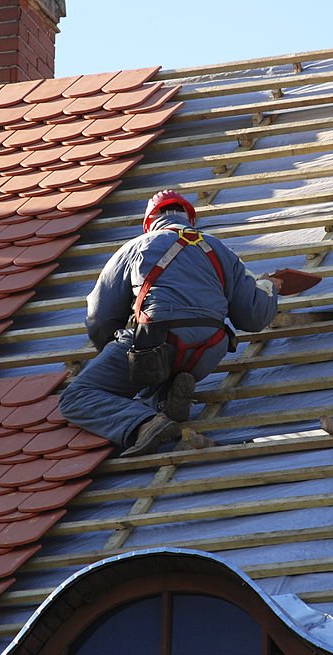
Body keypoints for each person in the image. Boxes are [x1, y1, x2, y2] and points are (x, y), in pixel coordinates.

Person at [59, 190, 282, 457]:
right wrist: (269, 286)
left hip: (156, 343)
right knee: (156, 372)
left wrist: (115, 356)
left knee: (77, 396)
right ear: (191, 219)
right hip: (208, 351)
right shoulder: (220, 250)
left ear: (149, 222)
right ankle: (164, 401)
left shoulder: (136, 247)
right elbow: (253, 317)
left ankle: (145, 422)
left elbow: (99, 318)